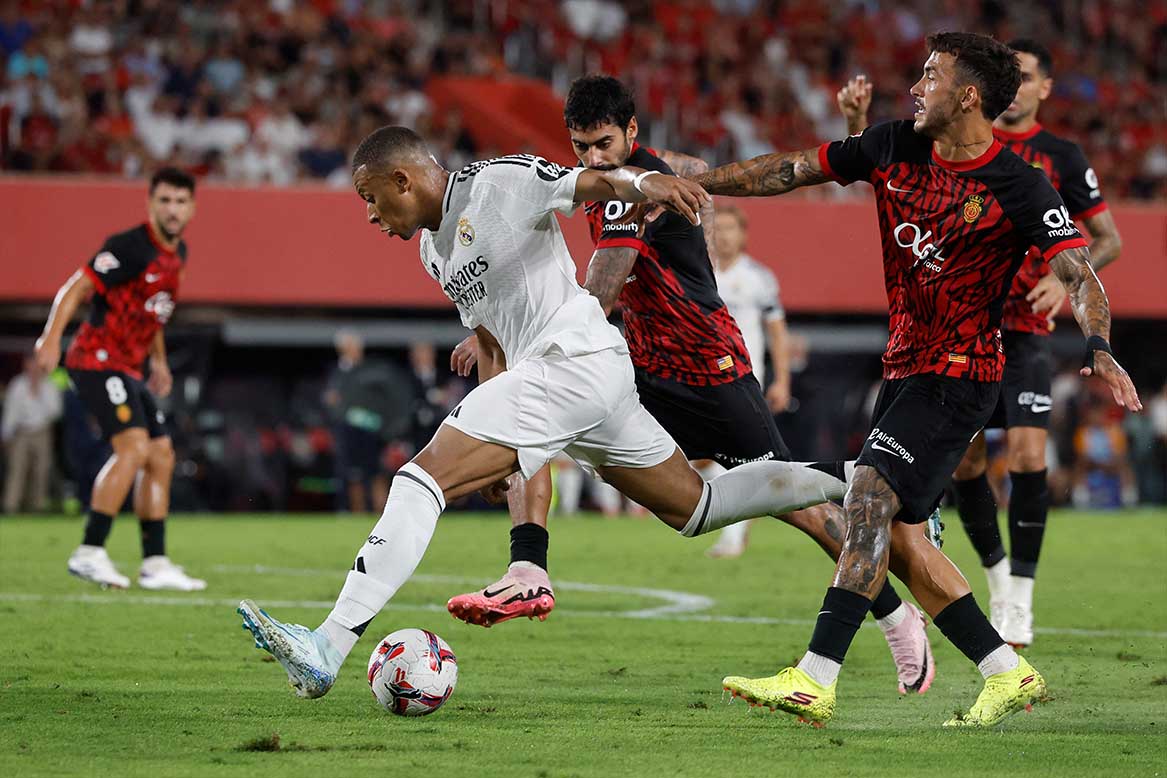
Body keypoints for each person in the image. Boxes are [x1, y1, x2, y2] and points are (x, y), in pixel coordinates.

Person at [237, 125, 904, 701]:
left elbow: (587, 183)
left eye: (369, 197)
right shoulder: (431, 249)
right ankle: (856, 475)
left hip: (574, 358)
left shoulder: (495, 183)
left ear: (403, 179)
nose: (368, 214)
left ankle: (328, 642)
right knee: (695, 507)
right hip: (570, 382)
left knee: (420, 479)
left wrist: (647, 186)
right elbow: (495, 341)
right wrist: (507, 447)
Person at [694, 32, 1140, 727]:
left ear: (966, 95)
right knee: (898, 536)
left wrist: (1099, 346)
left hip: (959, 374)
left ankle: (813, 678)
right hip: (903, 371)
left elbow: (1076, 272)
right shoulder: (892, 144)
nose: (916, 87)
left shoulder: (1018, 184)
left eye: (930, 76)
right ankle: (1005, 671)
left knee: (866, 495)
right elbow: (788, 170)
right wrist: (696, 182)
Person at [445, 76, 938, 697]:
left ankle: (897, 616)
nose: (594, 160)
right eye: (581, 147)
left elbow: (603, 284)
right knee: (533, 422)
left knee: (803, 509)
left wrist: (526, 341)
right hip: (644, 372)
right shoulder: (623, 178)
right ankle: (527, 567)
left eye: (604, 144)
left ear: (631, 133)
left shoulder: (629, 194)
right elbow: (692, 167)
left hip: (711, 372)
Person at [838, 39, 1125, 650]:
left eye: (1029, 77)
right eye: (1011, 76)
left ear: (1044, 88)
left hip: (1019, 337)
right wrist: (859, 132)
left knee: (1024, 456)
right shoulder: (936, 144)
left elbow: (1101, 244)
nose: (1018, 86)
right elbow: (883, 182)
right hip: (939, 339)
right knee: (963, 467)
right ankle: (991, 585)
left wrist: (1071, 297)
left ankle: (1017, 596)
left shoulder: (1055, 161)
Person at [35, 167, 206, 591]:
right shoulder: (129, 246)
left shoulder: (178, 254)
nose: (172, 209)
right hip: (96, 360)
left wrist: (160, 363)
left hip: (129, 368)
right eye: (164, 200)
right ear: (150, 203)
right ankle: (89, 551)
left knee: (161, 454)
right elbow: (76, 287)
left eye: (180, 201)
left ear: (192, 208)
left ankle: (155, 563)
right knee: (132, 448)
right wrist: (50, 338)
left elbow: (154, 313)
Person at [704, 203, 792, 558]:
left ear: (742, 235)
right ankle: (734, 528)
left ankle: (733, 534)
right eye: (717, 229)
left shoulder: (759, 277)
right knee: (709, 455)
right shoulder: (700, 273)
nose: (723, 236)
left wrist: (782, 380)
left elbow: (777, 331)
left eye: (730, 229)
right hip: (702, 377)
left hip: (744, 378)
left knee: (739, 454)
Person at [323, 329, 415, 513]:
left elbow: (389, 400)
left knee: (378, 476)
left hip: (375, 434)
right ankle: (357, 515)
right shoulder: (337, 373)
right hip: (350, 435)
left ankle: (382, 517)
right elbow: (332, 402)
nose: (357, 350)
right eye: (353, 346)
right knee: (353, 477)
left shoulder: (373, 371)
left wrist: (388, 427)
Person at [2, 352, 63, 513]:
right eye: (31, 363)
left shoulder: (49, 385)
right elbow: (11, 412)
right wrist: (6, 435)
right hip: (21, 432)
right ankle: (11, 506)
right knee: (17, 469)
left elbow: (56, 411)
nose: (34, 367)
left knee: (41, 470)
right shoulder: (18, 385)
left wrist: (38, 392)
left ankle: (37, 506)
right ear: (26, 365)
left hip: (42, 431)